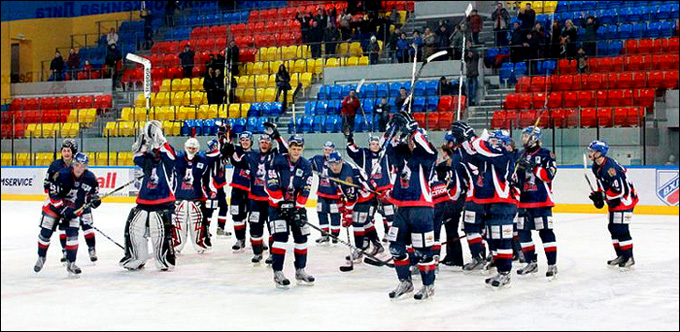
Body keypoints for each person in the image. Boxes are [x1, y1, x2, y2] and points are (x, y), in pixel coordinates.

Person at [384, 112, 438, 300]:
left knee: (423, 250)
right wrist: (392, 129)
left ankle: (428, 285)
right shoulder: (401, 157)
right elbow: (388, 147)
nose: (412, 143)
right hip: (403, 209)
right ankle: (405, 282)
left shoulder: (427, 157)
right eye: (410, 139)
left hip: (422, 209)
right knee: (395, 247)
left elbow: (428, 150)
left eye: (414, 140)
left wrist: (414, 129)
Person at [120, 121, 177, 271]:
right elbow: (136, 156)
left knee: (160, 231)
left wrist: (159, 140)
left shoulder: (168, 162)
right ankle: (136, 257)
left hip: (164, 202)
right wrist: (143, 140)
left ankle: (164, 259)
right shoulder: (147, 161)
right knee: (135, 228)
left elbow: (170, 154)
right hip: (145, 201)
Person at [34, 152, 100, 275]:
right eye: (77, 165)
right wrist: (62, 208)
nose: (80, 168)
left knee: (73, 235)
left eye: (83, 166)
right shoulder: (62, 175)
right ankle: (41, 257)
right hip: (54, 206)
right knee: (46, 232)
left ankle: (71, 263)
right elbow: (52, 193)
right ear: (73, 164)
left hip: (74, 208)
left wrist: (93, 200)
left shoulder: (90, 178)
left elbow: (93, 194)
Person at [265, 134, 315, 287]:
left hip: (297, 208)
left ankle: (300, 269)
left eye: (299, 149)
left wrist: (298, 207)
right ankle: (278, 272)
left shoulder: (306, 165)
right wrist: (281, 203)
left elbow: (306, 188)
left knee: (301, 238)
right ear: (289, 148)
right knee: (280, 238)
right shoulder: (277, 161)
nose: (296, 151)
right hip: (277, 207)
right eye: (293, 148)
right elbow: (270, 183)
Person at [470, 128, 518, 287]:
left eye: (495, 141)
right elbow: (470, 154)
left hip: (504, 205)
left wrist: (473, 137)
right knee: (493, 240)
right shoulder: (489, 157)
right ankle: (500, 271)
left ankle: (505, 273)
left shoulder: (504, 156)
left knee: (503, 241)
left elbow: (480, 147)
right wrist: (465, 141)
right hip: (491, 204)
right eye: (491, 140)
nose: (492, 143)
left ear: (504, 144)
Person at [515, 127, 558, 279]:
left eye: (526, 136)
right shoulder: (520, 154)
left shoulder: (546, 154)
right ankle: (530, 262)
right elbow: (514, 177)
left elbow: (549, 176)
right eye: (523, 136)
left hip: (541, 201)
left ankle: (552, 264)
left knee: (545, 232)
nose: (523, 139)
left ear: (534, 138)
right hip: (523, 201)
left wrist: (533, 167)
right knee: (522, 233)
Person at [587, 140, 638, 270]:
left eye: (592, 151)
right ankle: (621, 255)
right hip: (614, 200)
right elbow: (601, 183)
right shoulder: (596, 166)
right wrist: (598, 194)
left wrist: (604, 196)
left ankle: (629, 257)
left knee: (621, 229)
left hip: (625, 199)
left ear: (600, 153)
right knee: (612, 228)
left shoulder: (610, 169)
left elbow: (619, 190)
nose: (590, 153)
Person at [346, 133, 396, 247]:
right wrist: (349, 139)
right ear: (369, 145)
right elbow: (353, 152)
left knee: (390, 216)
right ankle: (367, 238)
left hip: (385, 189)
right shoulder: (364, 154)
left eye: (377, 144)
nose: (375, 146)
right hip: (370, 191)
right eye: (372, 144)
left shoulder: (385, 153)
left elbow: (394, 149)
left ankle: (393, 238)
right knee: (368, 216)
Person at [173, 138, 212, 254]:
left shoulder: (203, 161)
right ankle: (177, 244)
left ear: (197, 149)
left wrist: (208, 193)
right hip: (179, 196)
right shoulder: (177, 160)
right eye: (189, 147)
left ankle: (199, 243)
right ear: (185, 147)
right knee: (179, 222)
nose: (191, 150)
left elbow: (206, 180)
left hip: (196, 197)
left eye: (194, 148)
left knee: (197, 222)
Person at [436, 131, 468, 268]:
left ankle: (457, 257)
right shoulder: (447, 163)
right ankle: (451, 255)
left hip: (457, 199)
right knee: (449, 227)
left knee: (452, 227)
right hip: (452, 199)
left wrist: (452, 199)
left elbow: (460, 183)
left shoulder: (458, 159)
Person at [224, 131, 253, 252]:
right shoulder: (236, 151)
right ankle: (240, 239)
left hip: (251, 190)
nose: (245, 142)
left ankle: (256, 239)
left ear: (251, 141)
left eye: (247, 140)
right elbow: (227, 153)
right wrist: (225, 143)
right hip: (237, 189)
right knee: (237, 216)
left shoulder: (256, 154)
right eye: (242, 140)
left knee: (254, 217)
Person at [310, 142, 341, 244]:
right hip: (322, 193)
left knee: (335, 214)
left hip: (334, 194)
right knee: (321, 213)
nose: (328, 152)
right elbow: (306, 164)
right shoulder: (318, 159)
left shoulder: (337, 160)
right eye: (326, 150)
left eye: (330, 150)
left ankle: (335, 236)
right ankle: (324, 235)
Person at [205, 139, 231, 238]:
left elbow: (224, 154)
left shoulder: (220, 155)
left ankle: (221, 228)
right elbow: (217, 154)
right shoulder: (209, 156)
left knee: (224, 206)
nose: (215, 147)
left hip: (220, 187)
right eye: (213, 146)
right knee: (210, 209)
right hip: (212, 187)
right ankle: (206, 230)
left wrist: (224, 140)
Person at [464, 41, 480, 106]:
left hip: (474, 73)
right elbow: (465, 59)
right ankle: (468, 99)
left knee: (474, 87)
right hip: (468, 73)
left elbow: (477, 56)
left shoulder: (475, 52)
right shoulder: (466, 55)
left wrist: (471, 52)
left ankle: (473, 99)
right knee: (467, 88)